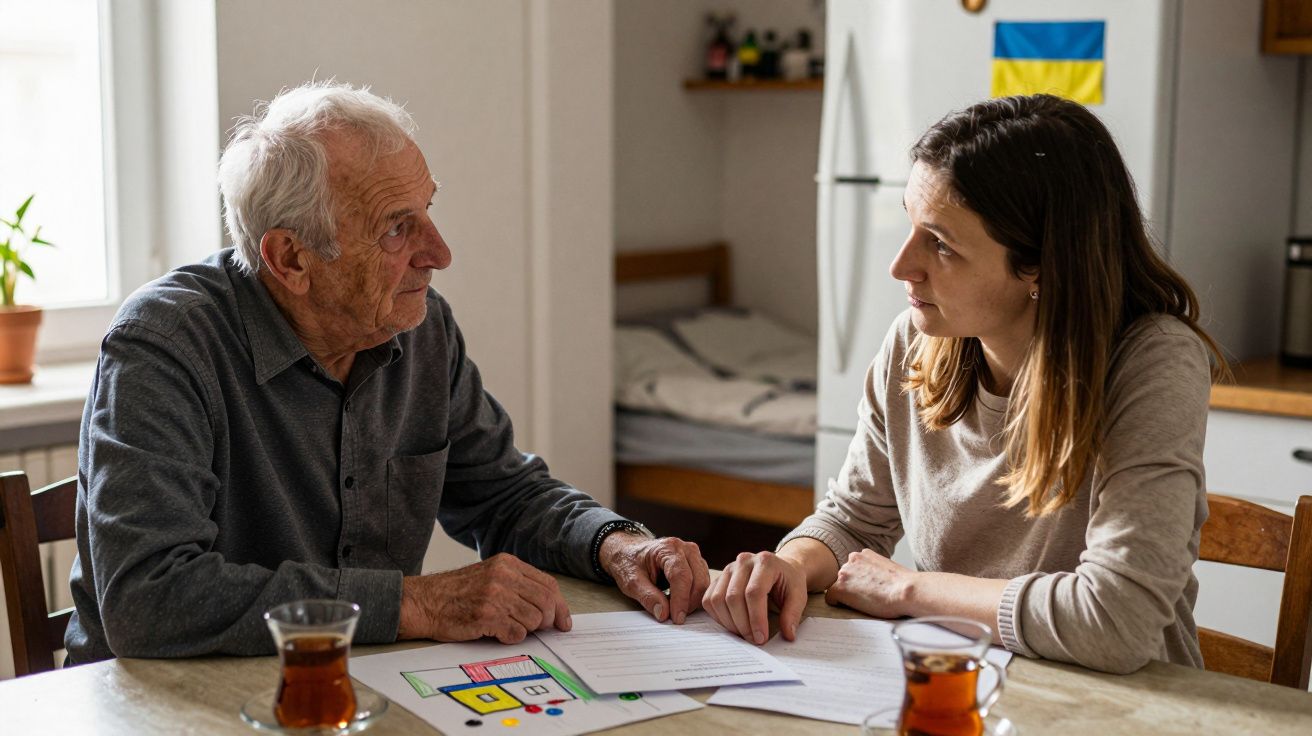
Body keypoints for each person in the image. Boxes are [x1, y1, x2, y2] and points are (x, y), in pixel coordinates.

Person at [65, 81, 709, 664]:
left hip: (354, 686)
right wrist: (418, 604)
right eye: (398, 229)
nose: (440, 253)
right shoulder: (164, 346)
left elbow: (503, 493)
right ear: (290, 257)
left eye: (427, 210)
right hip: (161, 700)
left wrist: (616, 543)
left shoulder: (419, 328)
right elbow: (151, 598)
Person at [702, 94, 1227, 674]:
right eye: (910, 225)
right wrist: (795, 564)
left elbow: (1116, 622)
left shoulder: (1152, 361)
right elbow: (853, 521)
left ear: (1042, 266)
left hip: (1122, 705)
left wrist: (911, 591)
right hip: (968, 680)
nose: (901, 266)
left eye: (942, 244)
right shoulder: (915, 342)